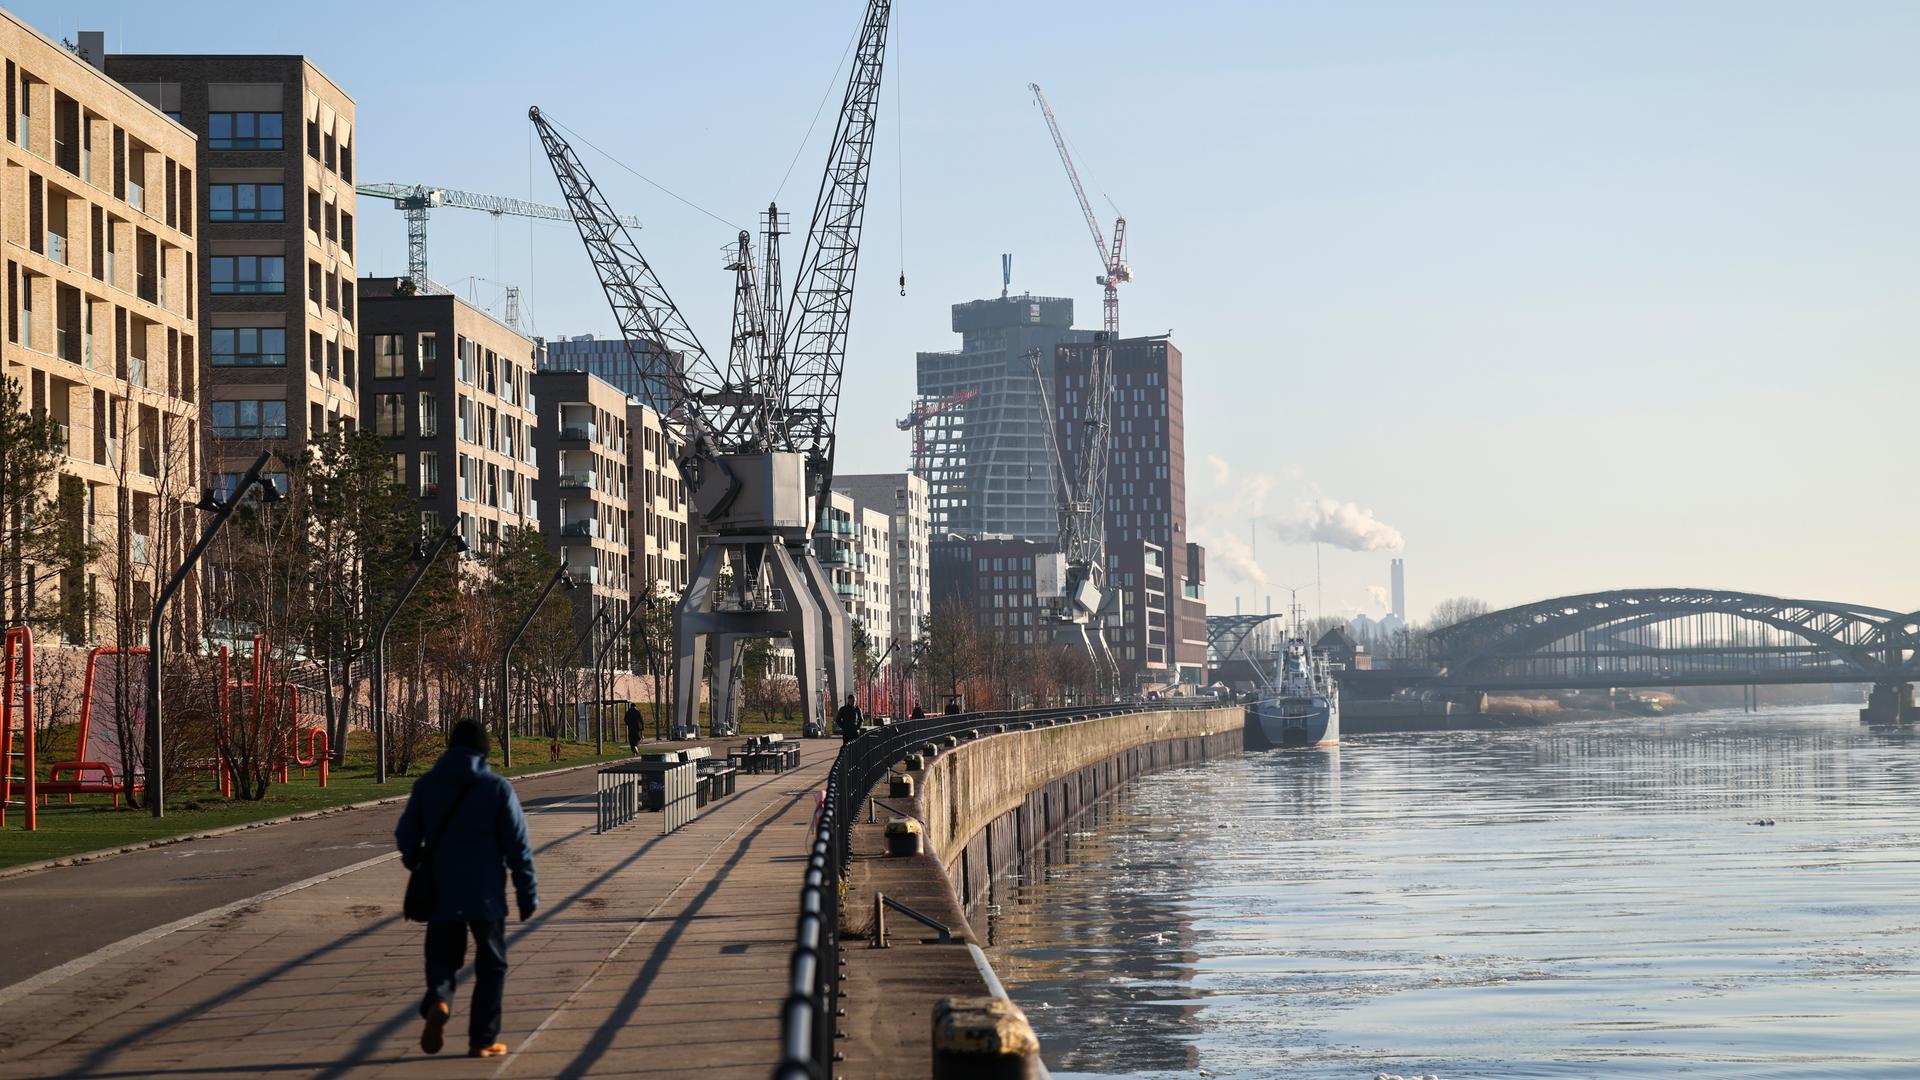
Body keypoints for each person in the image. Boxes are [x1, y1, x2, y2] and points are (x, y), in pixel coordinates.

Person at [395, 719, 538, 1059]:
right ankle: (482, 1040)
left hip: (441, 889)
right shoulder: (497, 788)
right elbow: (518, 846)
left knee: (441, 957)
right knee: (492, 965)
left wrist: (418, 863)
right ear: (483, 751)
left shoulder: (427, 785)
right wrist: (526, 893)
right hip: (486, 892)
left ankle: (439, 1001)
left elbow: (405, 836)